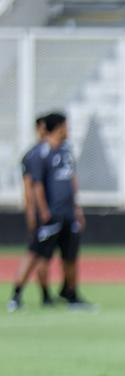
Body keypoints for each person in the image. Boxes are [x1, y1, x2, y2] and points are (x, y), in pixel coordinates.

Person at [16, 112, 91, 310]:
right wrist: (37, 212)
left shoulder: (66, 151)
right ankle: (23, 294)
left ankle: (70, 293)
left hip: (68, 213)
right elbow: (33, 186)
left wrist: (76, 207)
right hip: (50, 215)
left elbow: (71, 180)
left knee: (70, 255)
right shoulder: (37, 154)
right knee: (38, 254)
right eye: (66, 125)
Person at [8, 115, 54, 311]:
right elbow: (29, 187)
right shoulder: (35, 155)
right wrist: (32, 213)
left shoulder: (51, 153)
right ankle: (16, 296)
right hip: (41, 215)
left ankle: (45, 296)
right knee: (34, 253)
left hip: (51, 214)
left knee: (44, 255)